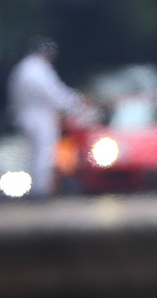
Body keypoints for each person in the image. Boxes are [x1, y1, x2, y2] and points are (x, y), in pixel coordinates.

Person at [7, 38, 97, 198]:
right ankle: (39, 190)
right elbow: (55, 94)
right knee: (43, 152)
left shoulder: (22, 68)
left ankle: (31, 188)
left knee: (31, 154)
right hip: (40, 115)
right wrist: (76, 101)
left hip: (24, 114)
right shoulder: (39, 69)